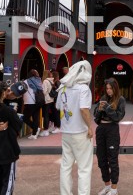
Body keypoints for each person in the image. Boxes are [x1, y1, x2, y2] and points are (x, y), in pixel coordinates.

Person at [56, 60, 94, 195]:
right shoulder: (83, 89)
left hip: (66, 132)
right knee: (84, 168)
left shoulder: (63, 88)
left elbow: (58, 107)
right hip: (80, 132)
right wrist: (90, 127)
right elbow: (84, 109)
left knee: (66, 166)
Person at [94, 78, 126, 195]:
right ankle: (107, 186)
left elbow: (118, 117)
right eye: (107, 88)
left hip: (112, 130)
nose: (108, 91)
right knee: (101, 159)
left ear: (115, 88)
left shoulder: (120, 100)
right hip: (101, 129)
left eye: (110, 88)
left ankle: (114, 188)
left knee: (112, 159)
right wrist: (99, 110)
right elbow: (96, 118)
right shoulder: (103, 98)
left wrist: (107, 108)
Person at [23, 69, 43, 139]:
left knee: (25, 118)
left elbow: (21, 90)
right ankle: (34, 134)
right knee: (35, 117)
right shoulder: (39, 81)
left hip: (29, 102)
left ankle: (36, 129)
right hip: (38, 101)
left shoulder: (26, 81)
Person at [40, 70, 59, 136]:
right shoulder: (52, 80)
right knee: (50, 114)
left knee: (46, 115)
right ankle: (52, 127)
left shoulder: (45, 81)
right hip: (51, 99)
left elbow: (44, 91)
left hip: (46, 100)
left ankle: (46, 130)